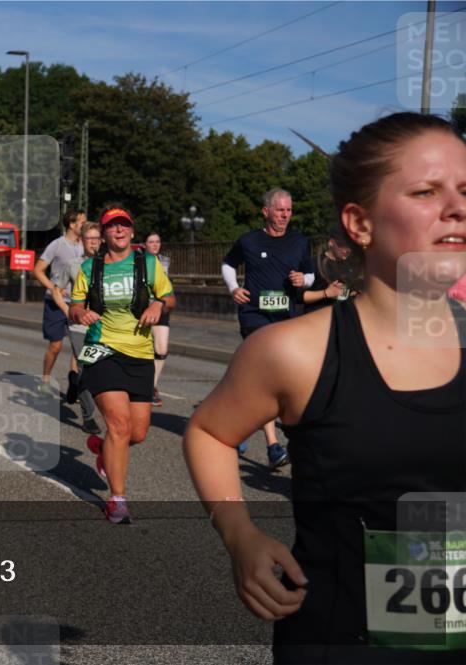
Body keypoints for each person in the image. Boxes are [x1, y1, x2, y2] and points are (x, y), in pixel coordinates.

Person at [185, 113, 466, 663]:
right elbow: (209, 433)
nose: (456, 206)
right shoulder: (294, 352)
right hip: (340, 640)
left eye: (465, 189)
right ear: (359, 224)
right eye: (426, 191)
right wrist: (239, 535)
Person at [69, 207, 175, 524]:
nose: (119, 231)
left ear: (131, 230)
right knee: (119, 424)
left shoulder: (149, 263)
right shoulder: (91, 267)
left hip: (140, 353)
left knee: (138, 433)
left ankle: (103, 448)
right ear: (103, 234)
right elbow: (75, 306)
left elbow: (169, 298)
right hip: (102, 351)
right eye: (112, 226)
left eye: (124, 225)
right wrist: (81, 314)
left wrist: (158, 303)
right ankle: (117, 500)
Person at [221, 188, 314, 467]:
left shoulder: (300, 242)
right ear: (266, 212)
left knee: (269, 381)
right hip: (254, 316)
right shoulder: (249, 241)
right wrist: (233, 288)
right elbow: (227, 263)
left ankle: (236, 422)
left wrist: (303, 280)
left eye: (289, 210)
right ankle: (274, 446)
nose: (285, 215)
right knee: (267, 377)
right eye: (280, 210)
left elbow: (310, 274)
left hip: (286, 319)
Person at [33, 210, 87, 394]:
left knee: (77, 345)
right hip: (55, 303)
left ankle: (74, 381)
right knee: (55, 346)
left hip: (78, 304)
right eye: (82, 222)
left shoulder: (84, 246)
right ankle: (45, 379)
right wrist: (53, 287)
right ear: (72, 224)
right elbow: (38, 270)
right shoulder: (56, 245)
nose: (85, 225)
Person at [59, 221, 103, 435]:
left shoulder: (108, 264)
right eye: (89, 238)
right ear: (82, 241)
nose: (93, 242)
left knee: (98, 370)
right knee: (85, 366)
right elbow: (58, 291)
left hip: (103, 326)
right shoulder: (72, 265)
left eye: (97, 238)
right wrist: (68, 311)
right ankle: (88, 416)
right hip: (78, 326)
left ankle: (75, 383)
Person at [143, 232, 172, 407]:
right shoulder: (139, 260)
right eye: (151, 242)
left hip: (161, 307)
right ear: (144, 244)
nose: (155, 245)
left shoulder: (165, 260)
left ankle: (151, 387)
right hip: (142, 308)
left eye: (157, 242)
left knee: (161, 349)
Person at [302, 237, 357, 313]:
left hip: (341, 318)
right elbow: (301, 297)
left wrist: (355, 293)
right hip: (317, 317)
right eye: (342, 245)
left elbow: (348, 293)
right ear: (331, 243)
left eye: (350, 246)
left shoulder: (351, 266)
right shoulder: (313, 263)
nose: (347, 250)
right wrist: (325, 293)